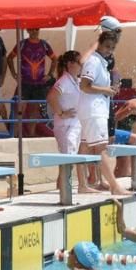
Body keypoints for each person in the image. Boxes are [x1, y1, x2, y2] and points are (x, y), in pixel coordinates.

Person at [78, 32, 127, 195]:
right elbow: (84, 86)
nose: (109, 50)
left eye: (112, 48)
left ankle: (82, 185)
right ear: (98, 44)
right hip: (94, 111)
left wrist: (109, 89)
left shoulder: (102, 63)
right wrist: (105, 90)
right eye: (107, 46)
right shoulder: (93, 61)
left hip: (92, 110)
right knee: (101, 148)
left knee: (84, 147)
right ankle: (114, 186)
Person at [7, 28, 55, 137]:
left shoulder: (44, 45)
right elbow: (9, 58)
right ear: (27, 31)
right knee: (20, 110)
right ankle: (15, 136)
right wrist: (14, 74)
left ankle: (31, 135)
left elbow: (55, 59)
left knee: (34, 112)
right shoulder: (22, 44)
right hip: (25, 83)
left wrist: (49, 74)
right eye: (31, 30)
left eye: (36, 29)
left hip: (39, 84)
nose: (34, 32)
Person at [47, 50, 83, 190]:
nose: (82, 66)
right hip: (66, 125)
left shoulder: (75, 81)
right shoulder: (65, 81)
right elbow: (51, 97)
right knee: (67, 160)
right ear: (70, 64)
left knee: (69, 160)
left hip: (74, 124)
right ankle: (63, 190)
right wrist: (61, 113)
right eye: (79, 63)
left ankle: (63, 189)